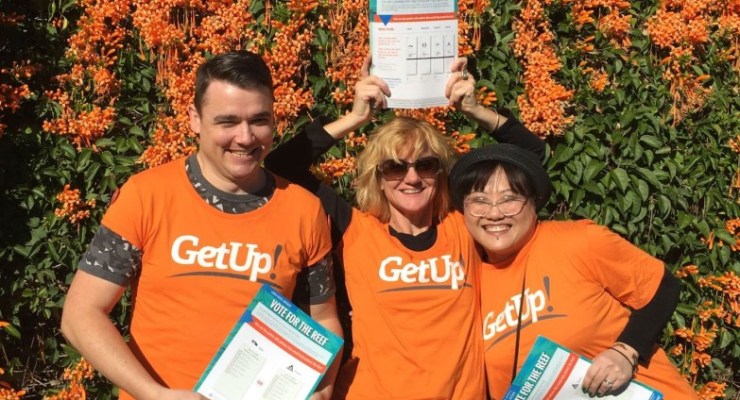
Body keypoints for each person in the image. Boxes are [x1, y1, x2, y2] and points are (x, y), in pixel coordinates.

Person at [60, 51, 342, 400]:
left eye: (259, 120)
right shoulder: (146, 196)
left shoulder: (304, 210)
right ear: (195, 119)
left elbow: (324, 321)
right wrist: (153, 394)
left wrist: (323, 391)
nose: (245, 137)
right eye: (227, 122)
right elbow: (80, 315)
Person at [265, 57, 545, 399]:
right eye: (395, 167)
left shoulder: (464, 225)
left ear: (439, 173)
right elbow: (279, 166)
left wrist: (475, 110)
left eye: (425, 165)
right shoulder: (354, 229)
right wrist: (354, 118)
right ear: (378, 179)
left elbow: (532, 156)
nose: (411, 178)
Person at [447, 143, 699, 399]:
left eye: (510, 199)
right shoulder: (467, 283)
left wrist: (625, 352)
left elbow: (663, 287)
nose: (494, 213)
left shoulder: (577, 241)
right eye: (479, 201)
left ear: (534, 202)